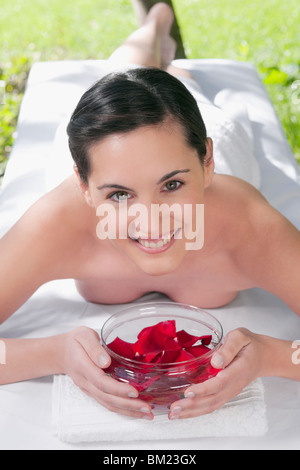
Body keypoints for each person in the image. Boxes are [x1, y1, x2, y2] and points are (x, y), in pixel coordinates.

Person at [0, 2, 299, 422]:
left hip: (196, 138)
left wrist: (273, 357)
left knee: (175, 84)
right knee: (123, 69)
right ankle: (158, 19)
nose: (151, 220)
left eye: (172, 185)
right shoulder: (58, 222)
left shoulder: (252, 229)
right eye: (119, 195)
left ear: (207, 162)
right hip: (111, 154)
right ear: (84, 186)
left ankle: (168, 50)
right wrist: (54, 353)